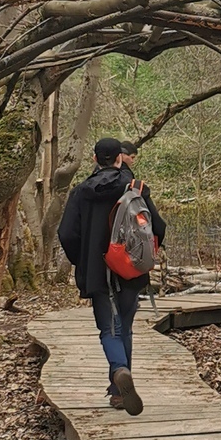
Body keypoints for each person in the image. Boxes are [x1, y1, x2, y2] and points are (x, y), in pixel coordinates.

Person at [57, 137, 166, 414]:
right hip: (129, 270)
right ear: (120, 158)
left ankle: (119, 374)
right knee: (124, 327)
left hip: (96, 271)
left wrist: (81, 261)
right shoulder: (136, 188)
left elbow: (67, 234)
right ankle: (119, 390)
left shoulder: (81, 192)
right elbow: (159, 227)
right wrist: (143, 257)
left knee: (109, 329)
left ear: (95, 160)